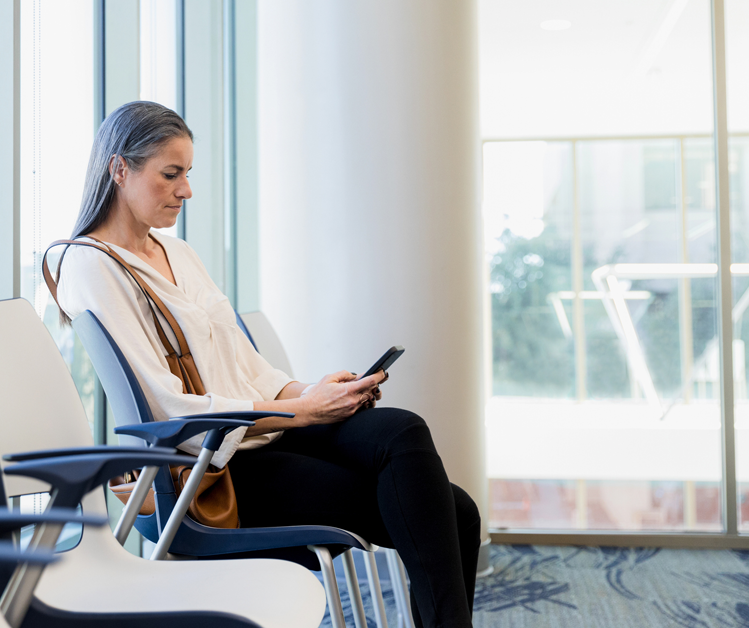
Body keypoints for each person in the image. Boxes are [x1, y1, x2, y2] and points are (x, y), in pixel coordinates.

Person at [52, 101, 479, 628]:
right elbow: (165, 406)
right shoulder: (89, 264)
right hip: (214, 463)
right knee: (452, 511)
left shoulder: (177, 253)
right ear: (120, 169)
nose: (186, 190)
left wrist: (313, 393)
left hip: (263, 433)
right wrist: (304, 413)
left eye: (188, 173)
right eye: (171, 174)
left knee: (404, 433)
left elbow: (245, 365)